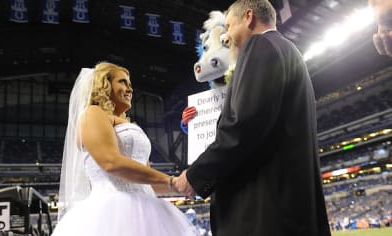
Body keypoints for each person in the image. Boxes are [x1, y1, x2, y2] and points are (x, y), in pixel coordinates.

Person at [173, 1, 331, 235]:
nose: (226, 36)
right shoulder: (288, 50)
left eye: (228, 26)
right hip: (287, 207)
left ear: (248, 17)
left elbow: (243, 126)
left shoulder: (260, 45)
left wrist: (195, 176)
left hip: (265, 213)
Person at [53, 62, 198, 236]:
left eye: (130, 84)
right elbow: (111, 162)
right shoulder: (94, 113)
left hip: (146, 209)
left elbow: (148, 180)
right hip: (111, 212)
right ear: (104, 85)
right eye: (122, 82)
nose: (130, 89)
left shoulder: (124, 122)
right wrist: (172, 181)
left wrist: (179, 187)